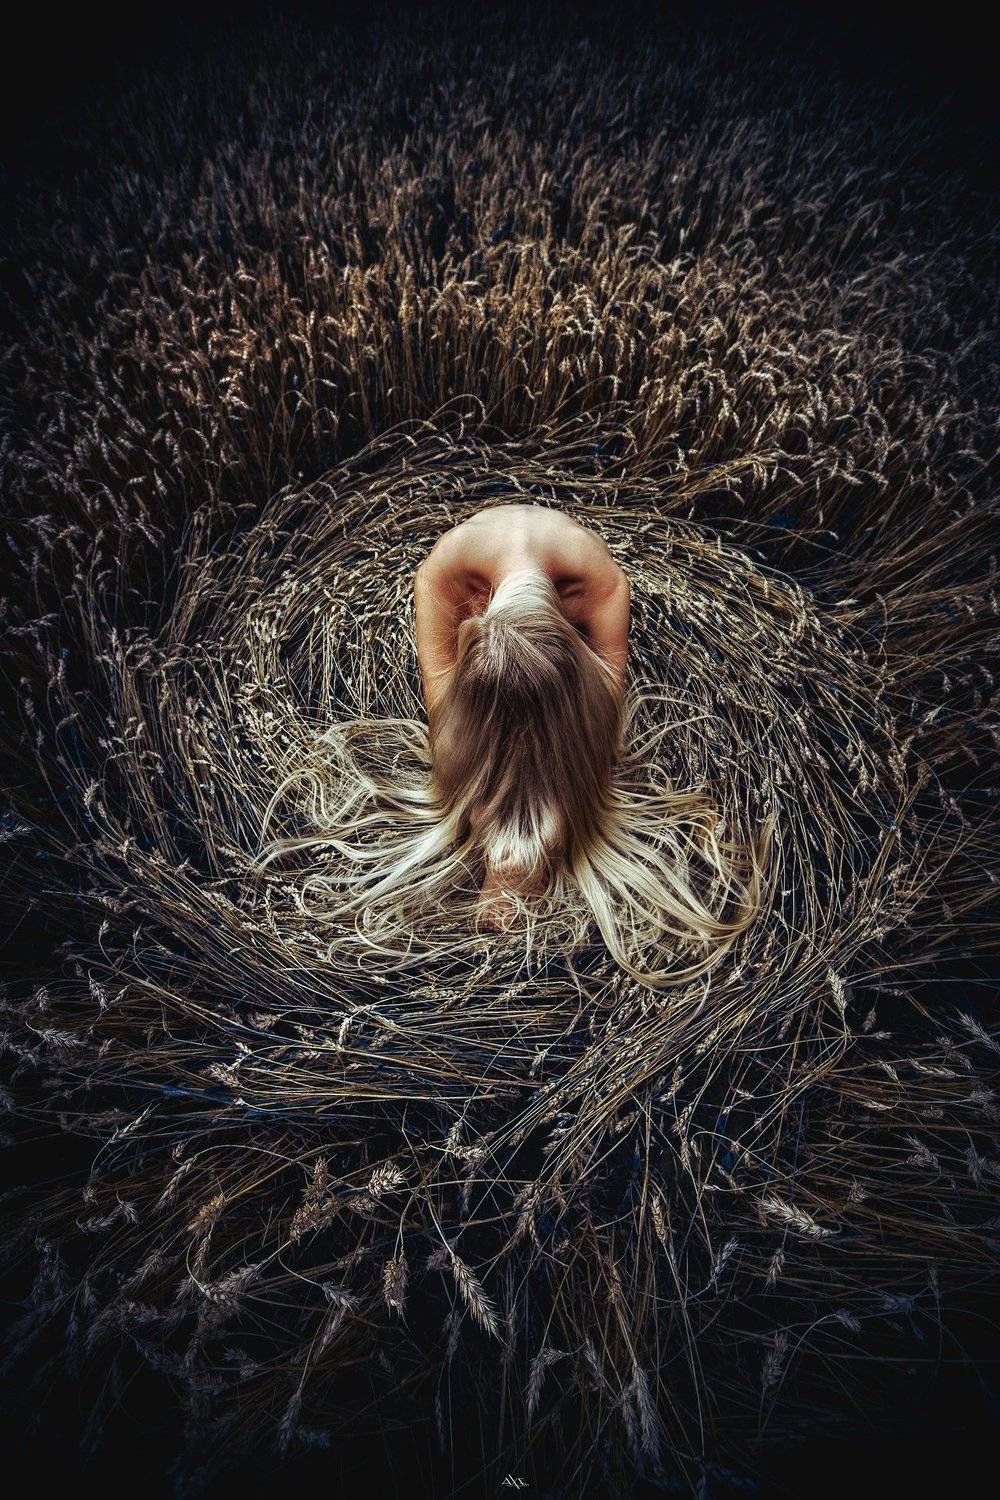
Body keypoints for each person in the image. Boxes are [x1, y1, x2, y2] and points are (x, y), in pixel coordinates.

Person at [414, 503, 631, 930]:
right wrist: (487, 805)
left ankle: (525, 850)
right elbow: (444, 722)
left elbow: (603, 718)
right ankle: (513, 851)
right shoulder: (442, 572)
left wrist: (549, 806)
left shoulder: (600, 582)